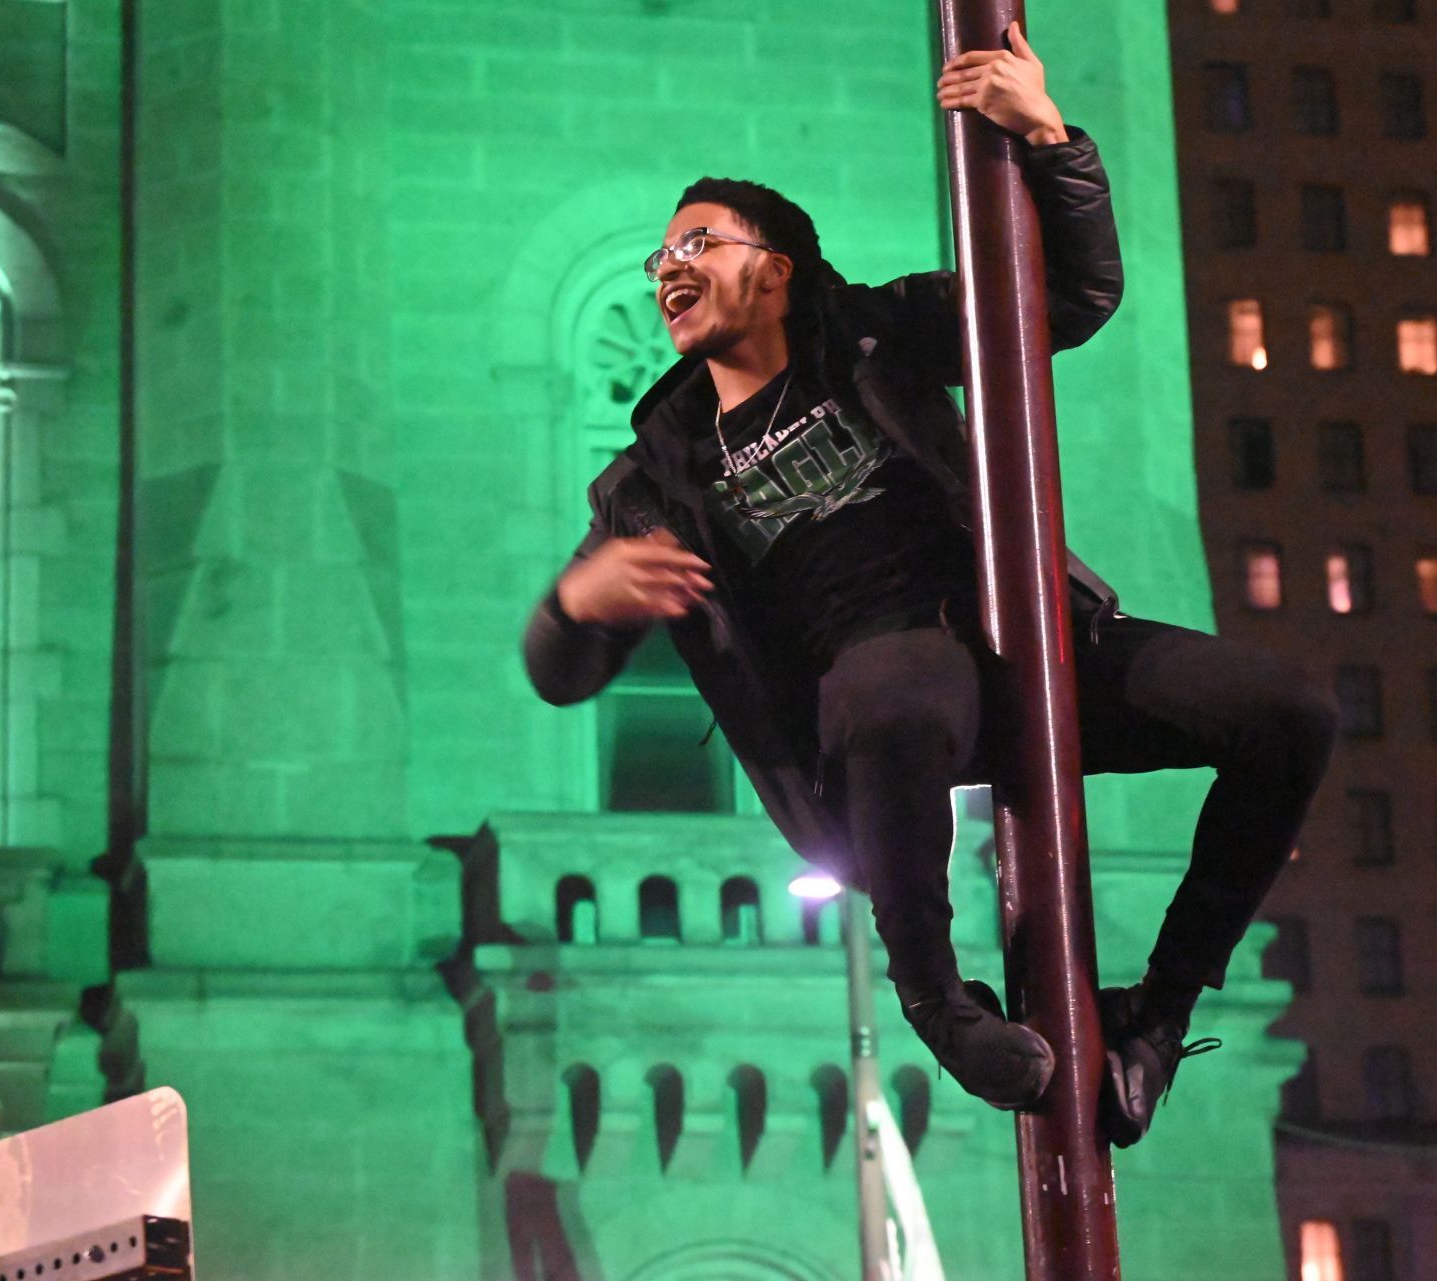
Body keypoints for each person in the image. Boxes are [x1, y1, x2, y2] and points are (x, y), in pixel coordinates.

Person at [524, 23, 1336, 1147]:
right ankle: (943, 1009)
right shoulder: (656, 473)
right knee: (895, 685)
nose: (669, 268)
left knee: (1289, 713)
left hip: (1021, 642)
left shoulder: (874, 339)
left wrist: (1051, 140)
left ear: (776, 265)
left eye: (698, 243)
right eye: (659, 258)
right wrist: (577, 603)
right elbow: (560, 675)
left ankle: (1156, 1017)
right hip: (881, 702)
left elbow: (1071, 299)